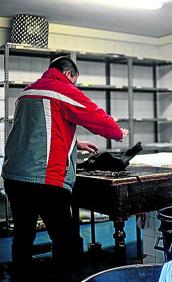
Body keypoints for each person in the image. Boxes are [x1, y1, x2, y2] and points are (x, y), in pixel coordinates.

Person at [1, 56, 129, 281]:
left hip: (14, 176)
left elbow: (34, 131)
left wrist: (75, 143)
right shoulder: (61, 88)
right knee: (66, 240)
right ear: (69, 74)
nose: (74, 86)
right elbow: (93, 114)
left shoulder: (27, 92)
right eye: (75, 82)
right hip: (43, 178)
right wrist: (117, 132)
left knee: (23, 236)